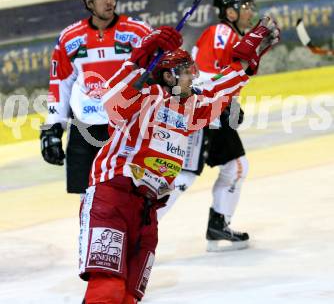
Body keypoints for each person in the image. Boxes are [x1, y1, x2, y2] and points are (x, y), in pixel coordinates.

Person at [79, 17, 280, 303]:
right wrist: (137, 62)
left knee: (128, 296)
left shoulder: (190, 108)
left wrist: (245, 62)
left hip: (147, 210)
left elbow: (218, 92)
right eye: (187, 71)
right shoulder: (146, 94)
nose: (193, 76)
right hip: (113, 195)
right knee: (107, 287)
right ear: (169, 75)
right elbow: (112, 105)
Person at [159, 0, 274, 251]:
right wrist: (226, 105)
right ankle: (140, 228)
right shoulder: (223, 33)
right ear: (230, 12)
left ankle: (218, 224)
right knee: (183, 176)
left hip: (212, 110)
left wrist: (229, 103)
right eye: (245, 7)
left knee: (236, 165)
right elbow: (208, 77)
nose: (250, 12)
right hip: (201, 112)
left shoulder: (229, 34)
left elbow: (227, 74)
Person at [40, 0, 153, 195]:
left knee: (128, 194)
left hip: (126, 125)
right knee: (87, 196)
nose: (109, 1)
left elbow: (158, 73)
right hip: (85, 125)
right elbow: (59, 85)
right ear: (88, 2)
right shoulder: (69, 38)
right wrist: (52, 129)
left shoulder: (138, 32)